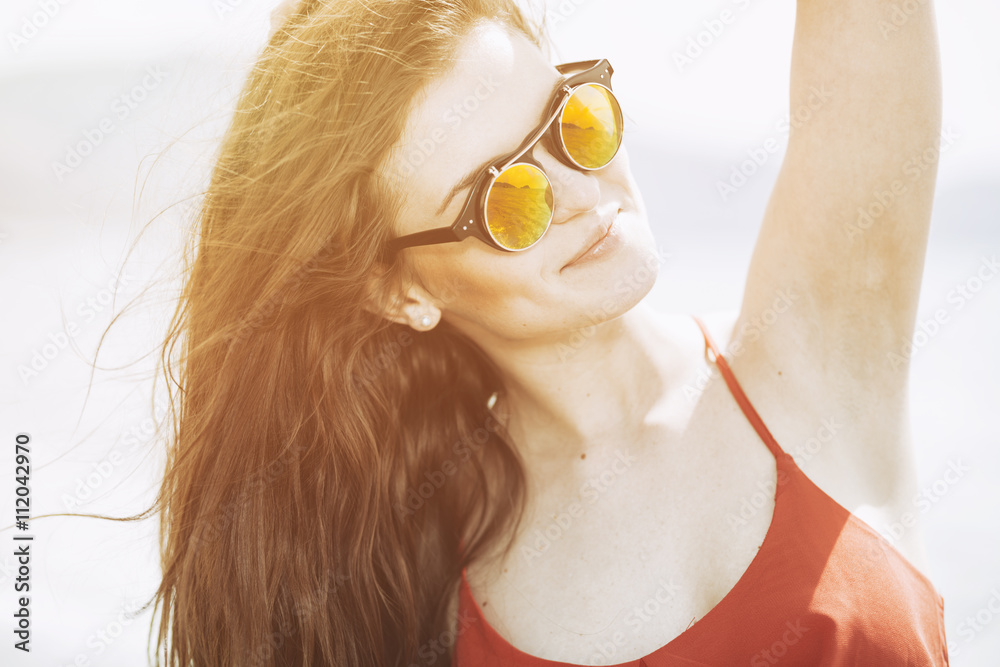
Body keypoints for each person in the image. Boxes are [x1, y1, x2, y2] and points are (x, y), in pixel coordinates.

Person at [149, 0, 946, 665]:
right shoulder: (410, 591)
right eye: (505, 197)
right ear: (399, 290)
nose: (577, 188)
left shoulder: (816, 351)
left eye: (572, 118)